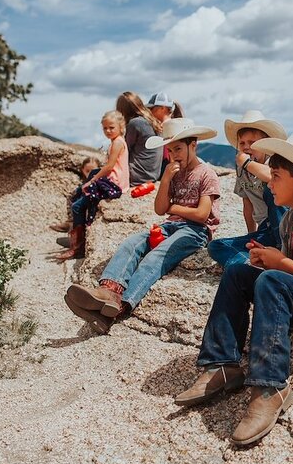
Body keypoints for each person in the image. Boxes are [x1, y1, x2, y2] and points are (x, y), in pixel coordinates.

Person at [176, 132, 293, 447]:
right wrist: (268, 261)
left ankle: (271, 387)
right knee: (239, 273)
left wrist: (279, 265)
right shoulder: (289, 220)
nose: (270, 183)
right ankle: (222, 363)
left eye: (276, 176)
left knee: (271, 279)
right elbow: (291, 274)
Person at [64, 118, 221, 334]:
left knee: (156, 258)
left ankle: (119, 307)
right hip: (170, 225)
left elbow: (202, 214)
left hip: (195, 231)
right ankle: (108, 291)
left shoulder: (206, 174)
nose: (174, 155)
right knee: (132, 243)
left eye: (178, 149)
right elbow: (160, 208)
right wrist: (165, 180)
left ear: (193, 145)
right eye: (170, 151)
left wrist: (173, 208)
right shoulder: (173, 174)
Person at [207, 110, 288, 268]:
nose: (246, 147)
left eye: (252, 143)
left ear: (265, 143)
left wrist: (246, 163)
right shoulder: (242, 171)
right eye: (242, 143)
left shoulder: (273, 162)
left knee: (270, 190)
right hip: (265, 228)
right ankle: (248, 266)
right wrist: (252, 236)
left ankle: (284, 252)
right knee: (216, 246)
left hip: (284, 225)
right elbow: (247, 203)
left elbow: (272, 177)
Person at [56, 112, 129, 261]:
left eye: (111, 127)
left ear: (121, 126)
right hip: (115, 180)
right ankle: (73, 227)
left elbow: (109, 167)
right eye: (105, 128)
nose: (108, 131)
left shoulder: (117, 142)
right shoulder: (117, 141)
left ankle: (77, 247)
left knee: (77, 206)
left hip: (114, 184)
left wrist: (92, 181)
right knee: (82, 188)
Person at [115, 91, 162, 185]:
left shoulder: (135, 123)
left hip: (138, 175)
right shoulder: (153, 121)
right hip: (153, 174)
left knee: (94, 175)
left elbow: (124, 149)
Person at [50, 156, 101, 234]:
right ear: (82, 170)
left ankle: (72, 226)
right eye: (87, 171)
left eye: (93, 171)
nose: (90, 174)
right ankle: (71, 222)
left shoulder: (100, 182)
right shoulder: (82, 185)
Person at [147, 92, 179, 179]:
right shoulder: (168, 124)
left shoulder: (168, 126)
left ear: (162, 108)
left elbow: (172, 150)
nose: (150, 111)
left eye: (152, 108)